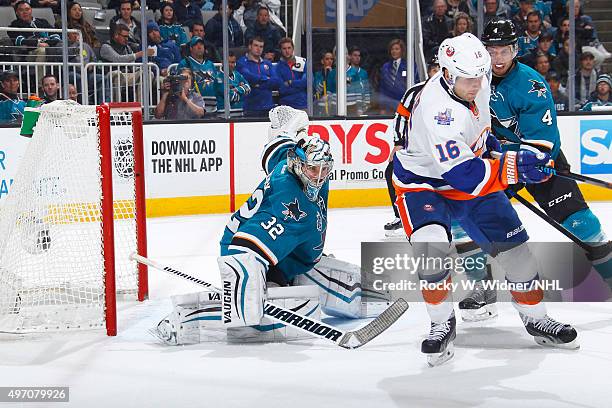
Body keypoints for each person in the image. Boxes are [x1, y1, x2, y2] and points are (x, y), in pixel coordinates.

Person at [392, 33, 578, 366]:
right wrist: (515, 167)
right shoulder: (439, 112)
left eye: (482, 75)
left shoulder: (477, 79)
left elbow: (479, 134)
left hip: (465, 170)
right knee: (431, 251)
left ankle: (536, 317)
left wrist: (511, 152)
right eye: (469, 79)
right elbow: (466, 176)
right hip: (422, 185)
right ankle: (440, 324)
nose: (478, 84)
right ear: (447, 74)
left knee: (518, 255)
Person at [151, 106, 384, 345]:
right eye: (313, 169)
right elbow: (245, 248)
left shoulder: (288, 162)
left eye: (325, 169)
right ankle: (184, 321)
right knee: (250, 314)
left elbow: (274, 149)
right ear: (299, 164)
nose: (319, 176)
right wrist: (252, 290)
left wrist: (287, 129)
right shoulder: (290, 204)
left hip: (290, 252)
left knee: (346, 282)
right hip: (249, 253)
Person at [460, 19, 612, 319]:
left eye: (504, 50)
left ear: (515, 49)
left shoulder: (531, 85)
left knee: (582, 226)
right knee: (464, 218)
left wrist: (533, 160)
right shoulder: (471, 81)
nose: (498, 58)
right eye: (492, 50)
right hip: (496, 163)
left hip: (537, 162)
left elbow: (542, 139)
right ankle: (483, 289)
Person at [236, 36, 281, 117]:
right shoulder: (242, 62)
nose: (258, 49)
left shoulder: (267, 63)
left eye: (261, 46)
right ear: (250, 46)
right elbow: (248, 77)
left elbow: (276, 81)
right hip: (250, 108)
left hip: (268, 107)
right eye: (256, 45)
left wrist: (257, 84)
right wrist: (266, 79)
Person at [177, 36, 218, 113]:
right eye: (196, 45)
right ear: (191, 48)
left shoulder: (210, 64)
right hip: (194, 106)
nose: (199, 47)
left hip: (213, 107)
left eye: (201, 44)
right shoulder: (185, 63)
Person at [214, 51, 251, 116]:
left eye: (233, 62)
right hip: (224, 116)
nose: (230, 65)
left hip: (240, 114)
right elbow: (231, 97)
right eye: (228, 62)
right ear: (222, 62)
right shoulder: (218, 78)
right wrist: (242, 91)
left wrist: (236, 89)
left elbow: (248, 88)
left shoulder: (238, 75)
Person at [378, 39, 408, 114]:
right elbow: (382, 87)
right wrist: (382, 107)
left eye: (397, 49)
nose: (394, 51)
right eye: (392, 49)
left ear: (402, 50)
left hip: (403, 104)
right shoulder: (386, 66)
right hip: (388, 105)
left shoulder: (408, 65)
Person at [276, 37, 307, 110]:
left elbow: (307, 82)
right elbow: (282, 89)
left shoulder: (303, 63)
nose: (287, 51)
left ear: (293, 48)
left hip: (303, 105)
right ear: (280, 50)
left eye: (289, 48)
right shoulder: (277, 68)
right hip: (285, 107)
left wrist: (290, 82)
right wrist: (300, 85)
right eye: (284, 48)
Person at [346, 45, 370, 116]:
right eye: (355, 55)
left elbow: (366, 90)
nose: (357, 58)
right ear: (349, 56)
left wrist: (367, 105)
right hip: (349, 105)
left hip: (362, 106)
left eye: (359, 56)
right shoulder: (346, 72)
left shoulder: (364, 72)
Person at [313, 50, 336, 116]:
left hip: (333, 105)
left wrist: (331, 74)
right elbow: (318, 90)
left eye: (331, 59)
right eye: (327, 59)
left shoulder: (336, 73)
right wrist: (326, 75)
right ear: (322, 61)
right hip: (321, 105)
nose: (330, 61)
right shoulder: (318, 74)